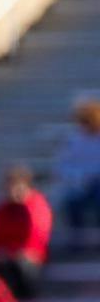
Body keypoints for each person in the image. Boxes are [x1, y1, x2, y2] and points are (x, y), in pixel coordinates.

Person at [0, 164, 52, 298]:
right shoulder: (2, 208)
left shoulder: (36, 205)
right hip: (7, 254)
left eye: (16, 186)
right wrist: (0, 250)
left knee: (23, 266)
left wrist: (20, 252)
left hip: (29, 256)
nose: (12, 190)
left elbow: (37, 233)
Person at [54, 96, 100, 247]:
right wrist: (79, 177)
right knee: (71, 202)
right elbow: (63, 166)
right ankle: (77, 239)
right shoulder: (74, 140)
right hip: (82, 186)